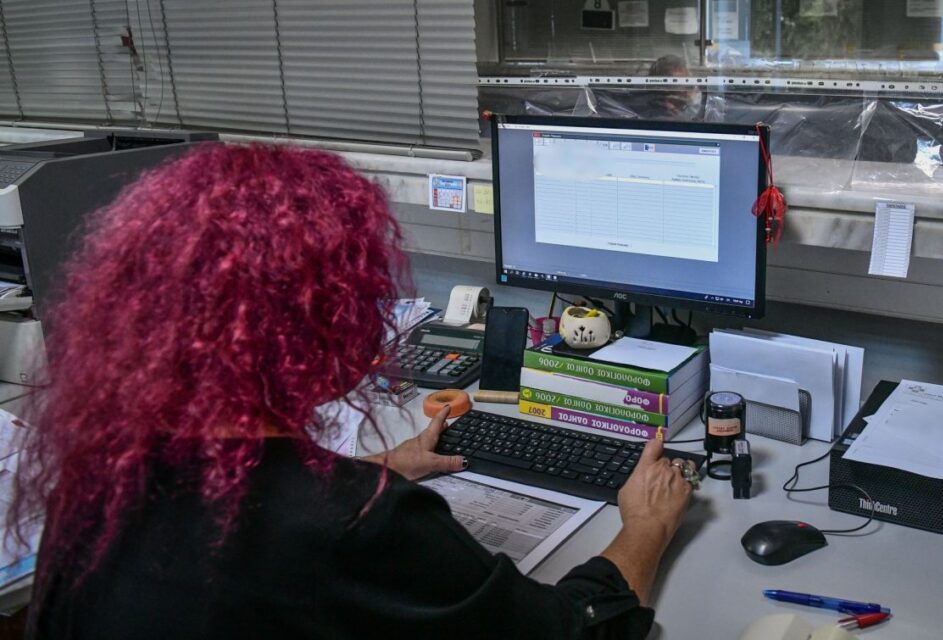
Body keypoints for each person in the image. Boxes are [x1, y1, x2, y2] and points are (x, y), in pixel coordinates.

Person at [9, 144, 695, 639]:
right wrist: (646, 525)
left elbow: (247, 518)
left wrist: (383, 463)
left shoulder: (102, 476)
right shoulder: (360, 523)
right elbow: (573, 631)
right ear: (312, 322)